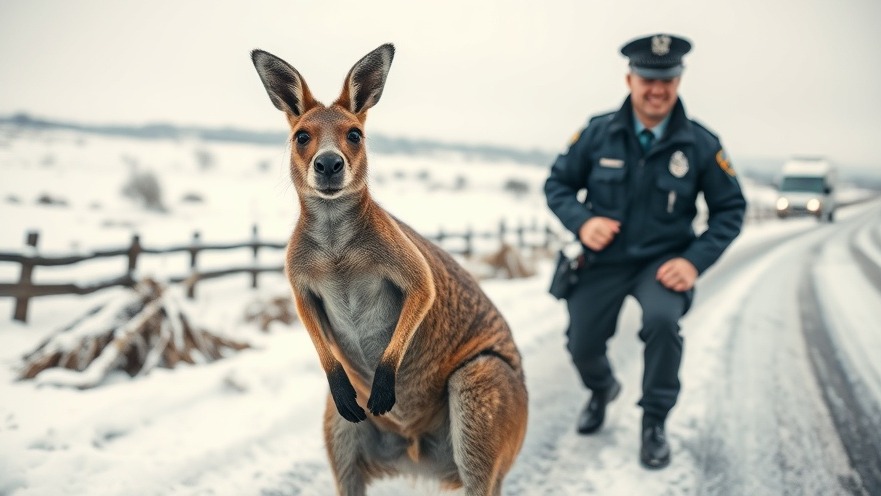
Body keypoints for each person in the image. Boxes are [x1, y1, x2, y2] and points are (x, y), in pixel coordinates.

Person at [543, 33, 746, 469]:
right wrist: (584, 222)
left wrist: (693, 262)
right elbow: (557, 185)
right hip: (603, 259)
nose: (658, 89)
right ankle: (601, 389)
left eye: (667, 79)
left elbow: (730, 210)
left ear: (679, 79)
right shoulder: (598, 133)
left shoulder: (701, 144)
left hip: (663, 262)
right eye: (648, 79)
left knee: (661, 323)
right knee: (582, 345)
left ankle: (654, 422)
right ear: (630, 78)